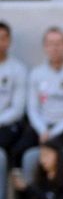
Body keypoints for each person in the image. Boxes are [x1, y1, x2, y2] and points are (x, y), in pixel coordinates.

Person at [11, 27, 63, 167]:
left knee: (56, 152)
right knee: (18, 150)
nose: (55, 48)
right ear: (45, 47)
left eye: (58, 43)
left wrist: (54, 132)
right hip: (42, 127)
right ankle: (21, 186)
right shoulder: (36, 73)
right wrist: (43, 130)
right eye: (50, 44)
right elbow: (32, 108)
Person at [0, 22, 27, 157]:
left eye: (3, 38)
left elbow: (17, 110)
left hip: (8, 125)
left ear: (9, 41)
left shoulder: (18, 69)